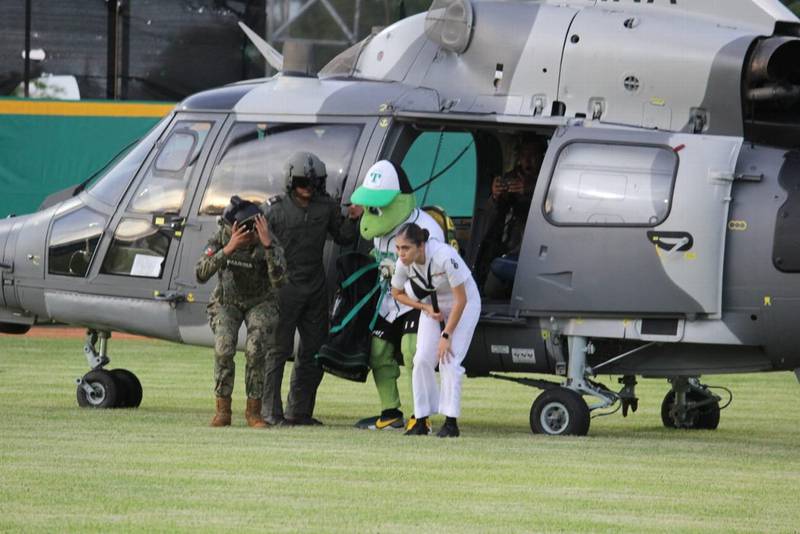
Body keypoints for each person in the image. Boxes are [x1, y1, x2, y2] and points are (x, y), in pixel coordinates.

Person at [261, 151, 363, 426]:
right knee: (278, 350)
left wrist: (354, 219)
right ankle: (270, 412)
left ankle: (299, 411)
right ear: (290, 181)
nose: (308, 187)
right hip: (283, 289)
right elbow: (258, 247)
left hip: (315, 289)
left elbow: (343, 236)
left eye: (314, 182)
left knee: (314, 350)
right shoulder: (273, 209)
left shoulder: (326, 207)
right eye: (302, 182)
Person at [349, 160, 445, 431]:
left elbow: (437, 273)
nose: (372, 216)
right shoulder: (379, 229)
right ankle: (390, 412)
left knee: (413, 351)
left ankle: (420, 415)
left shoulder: (425, 229)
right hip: (390, 300)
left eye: (378, 206)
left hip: (419, 300)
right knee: (377, 352)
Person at [196, 196, 287, 428]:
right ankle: (223, 410)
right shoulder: (221, 238)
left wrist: (267, 247)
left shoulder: (267, 240)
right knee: (224, 348)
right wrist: (229, 248)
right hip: (227, 301)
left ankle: (254, 412)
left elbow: (279, 281)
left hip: (260, 301)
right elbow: (201, 273)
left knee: (256, 350)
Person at [390, 223, 481, 438]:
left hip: (464, 303)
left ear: (421, 246)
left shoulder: (444, 256)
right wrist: (425, 308)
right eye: (398, 248)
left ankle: (451, 423)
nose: (401, 253)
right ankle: (421, 420)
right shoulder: (403, 263)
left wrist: (446, 335)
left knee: (449, 359)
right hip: (434, 304)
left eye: (406, 248)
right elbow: (397, 293)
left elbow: (461, 300)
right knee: (421, 359)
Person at [471, 137, 546, 298]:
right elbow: (488, 221)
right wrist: (496, 197)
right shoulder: (511, 177)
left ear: (542, 157)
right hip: (507, 248)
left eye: (533, 155)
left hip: (536, 251)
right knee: (490, 289)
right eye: (523, 155)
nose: (527, 161)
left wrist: (531, 191)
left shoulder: (549, 180)